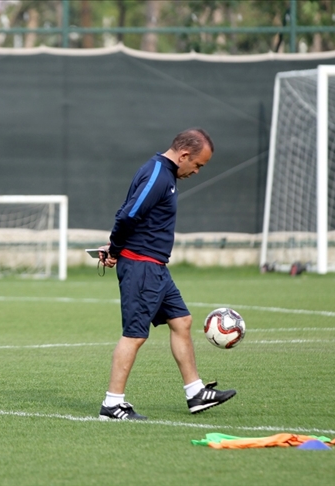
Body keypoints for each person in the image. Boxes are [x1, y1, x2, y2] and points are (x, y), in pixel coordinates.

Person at [96, 128, 235, 421]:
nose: (197, 171)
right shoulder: (159, 174)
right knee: (134, 335)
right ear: (184, 155)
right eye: (197, 165)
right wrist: (116, 248)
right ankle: (112, 404)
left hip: (155, 267)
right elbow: (128, 214)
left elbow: (132, 212)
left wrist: (113, 246)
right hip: (142, 266)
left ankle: (195, 392)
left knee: (182, 321)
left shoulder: (163, 174)